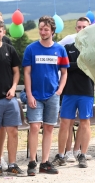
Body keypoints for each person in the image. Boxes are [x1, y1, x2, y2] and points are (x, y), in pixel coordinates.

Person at [22, 16, 69, 176]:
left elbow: (64, 72)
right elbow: (26, 73)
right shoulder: (31, 49)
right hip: (35, 95)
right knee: (35, 127)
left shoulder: (60, 50)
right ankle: (32, 162)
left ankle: (45, 163)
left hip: (52, 95)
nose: (42, 32)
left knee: (49, 128)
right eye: (41, 29)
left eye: (46, 29)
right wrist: (29, 94)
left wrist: (60, 90)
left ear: (52, 31)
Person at [51, 16, 94, 168]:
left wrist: (75, 65)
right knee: (64, 123)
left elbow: (92, 67)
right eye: (79, 27)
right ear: (75, 29)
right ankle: (62, 154)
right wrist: (81, 65)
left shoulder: (94, 47)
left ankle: (81, 154)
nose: (82, 30)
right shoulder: (67, 47)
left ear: (89, 28)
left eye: (85, 27)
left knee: (85, 123)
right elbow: (65, 67)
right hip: (69, 91)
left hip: (86, 91)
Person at [0, 19, 26, 177]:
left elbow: (17, 72)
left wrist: (14, 87)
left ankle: (12, 164)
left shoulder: (10, 49)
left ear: (4, 32)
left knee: (13, 132)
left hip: (10, 99)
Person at [0, 10, 13, 171]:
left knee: (1, 129)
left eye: (0, 23)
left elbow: (12, 68)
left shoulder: (7, 43)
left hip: (3, 95)